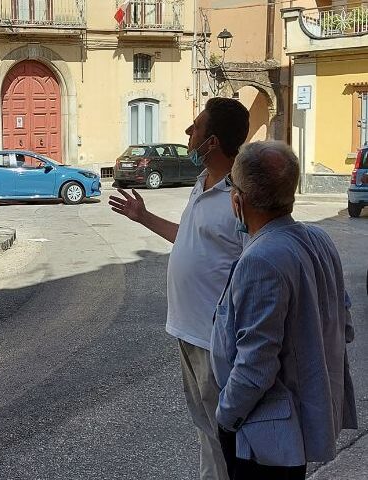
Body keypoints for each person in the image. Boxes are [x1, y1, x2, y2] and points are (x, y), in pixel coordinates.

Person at [109, 97, 250, 480]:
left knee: (225, 430)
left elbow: (256, 266)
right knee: (205, 428)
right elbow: (188, 238)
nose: (188, 134)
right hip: (186, 330)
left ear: (213, 142)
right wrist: (143, 217)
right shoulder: (202, 183)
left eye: (196, 127)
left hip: (214, 337)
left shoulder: (241, 196)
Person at [212, 141, 357, 479]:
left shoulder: (261, 260)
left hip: (265, 439)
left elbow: (256, 365)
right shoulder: (318, 239)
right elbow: (343, 325)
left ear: (239, 200)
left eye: (231, 185)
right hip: (296, 428)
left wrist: (226, 416)